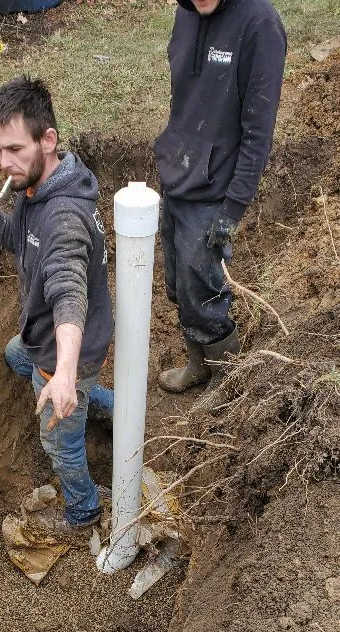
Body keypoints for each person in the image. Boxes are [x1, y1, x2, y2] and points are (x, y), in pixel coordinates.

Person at [0, 75, 114, 535]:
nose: (4, 163)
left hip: (68, 352)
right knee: (12, 356)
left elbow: (67, 289)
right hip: (39, 337)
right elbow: (23, 243)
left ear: (48, 140)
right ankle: (104, 403)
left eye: (15, 149)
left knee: (58, 443)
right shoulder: (35, 186)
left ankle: (84, 509)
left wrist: (63, 373)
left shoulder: (63, 216)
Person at [154, 0, 287, 410]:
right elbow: (186, 101)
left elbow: (258, 133)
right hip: (180, 175)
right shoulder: (186, 13)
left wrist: (231, 210)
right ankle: (199, 364)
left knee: (203, 290)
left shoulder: (259, 25)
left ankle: (226, 384)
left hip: (215, 191)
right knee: (178, 283)